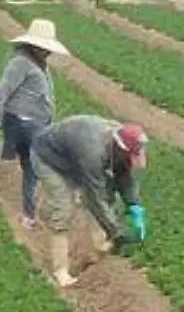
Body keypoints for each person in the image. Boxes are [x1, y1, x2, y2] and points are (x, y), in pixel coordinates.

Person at [30, 115, 148, 287]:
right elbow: (95, 197)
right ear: (121, 149)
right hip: (49, 158)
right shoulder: (93, 152)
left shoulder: (124, 143)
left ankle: (97, 247)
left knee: (104, 196)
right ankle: (60, 270)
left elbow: (125, 176)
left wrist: (135, 206)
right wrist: (116, 232)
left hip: (73, 154)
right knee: (64, 208)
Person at [0, 18, 67, 229]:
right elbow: (4, 89)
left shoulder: (41, 65)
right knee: (36, 166)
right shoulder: (20, 62)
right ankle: (35, 212)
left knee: (31, 168)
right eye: (43, 48)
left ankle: (30, 214)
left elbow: (46, 96)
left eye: (47, 48)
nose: (47, 52)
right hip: (22, 122)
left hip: (38, 122)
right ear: (33, 45)